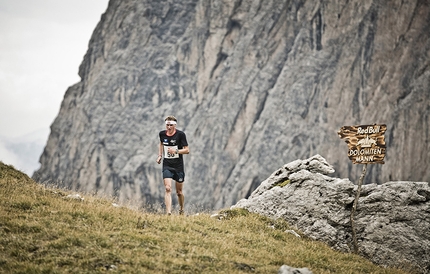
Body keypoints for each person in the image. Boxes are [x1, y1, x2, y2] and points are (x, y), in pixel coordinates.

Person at [156, 115, 189, 215]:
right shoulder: (162, 134)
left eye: (170, 125)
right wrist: (160, 155)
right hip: (167, 164)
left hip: (178, 166)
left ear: (174, 125)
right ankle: (169, 213)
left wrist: (176, 151)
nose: (169, 127)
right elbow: (161, 143)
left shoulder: (180, 135)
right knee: (167, 188)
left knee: (179, 192)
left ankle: (181, 209)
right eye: (167, 125)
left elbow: (187, 150)